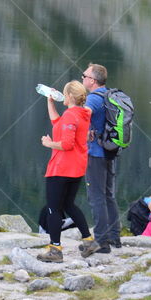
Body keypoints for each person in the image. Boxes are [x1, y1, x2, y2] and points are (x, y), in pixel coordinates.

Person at [36, 80, 100, 262]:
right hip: (77, 168)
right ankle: (89, 241)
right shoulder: (82, 113)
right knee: (69, 205)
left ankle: (55, 250)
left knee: (53, 209)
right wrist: (50, 102)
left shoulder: (71, 115)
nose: (62, 96)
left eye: (65, 93)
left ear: (71, 96)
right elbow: (57, 122)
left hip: (61, 168)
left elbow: (66, 144)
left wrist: (49, 144)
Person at [83, 62, 120, 252]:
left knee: (96, 197)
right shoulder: (109, 95)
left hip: (96, 154)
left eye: (84, 75)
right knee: (109, 196)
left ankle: (101, 242)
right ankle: (115, 237)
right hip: (110, 151)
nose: (82, 78)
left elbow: (83, 116)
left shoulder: (92, 99)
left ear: (92, 80)